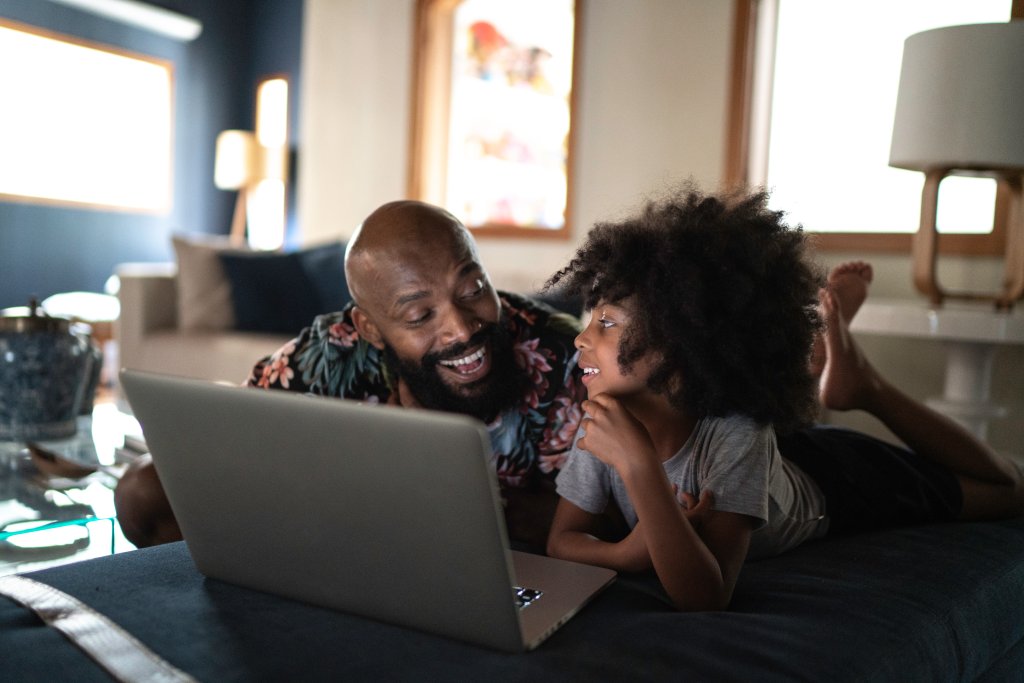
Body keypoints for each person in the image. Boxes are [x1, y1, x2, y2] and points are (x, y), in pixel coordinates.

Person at [544, 185, 1024, 612]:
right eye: (590, 321)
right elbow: (561, 540)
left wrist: (640, 468)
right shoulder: (604, 425)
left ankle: (864, 386)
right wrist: (627, 552)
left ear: (681, 341)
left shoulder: (736, 434)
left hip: (836, 481)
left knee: (1008, 490)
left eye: (606, 323)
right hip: (771, 461)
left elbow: (705, 595)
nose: (581, 339)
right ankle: (821, 363)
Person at [116, 200, 588, 549]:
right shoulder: (332, 351)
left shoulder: (562, 353)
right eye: (421, 315)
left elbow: (609, 520)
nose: (462, 328)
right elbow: (226, 445)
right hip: (347, 553)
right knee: (144, 494)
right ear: (370, 328)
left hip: (505, 570)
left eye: (472, 288)